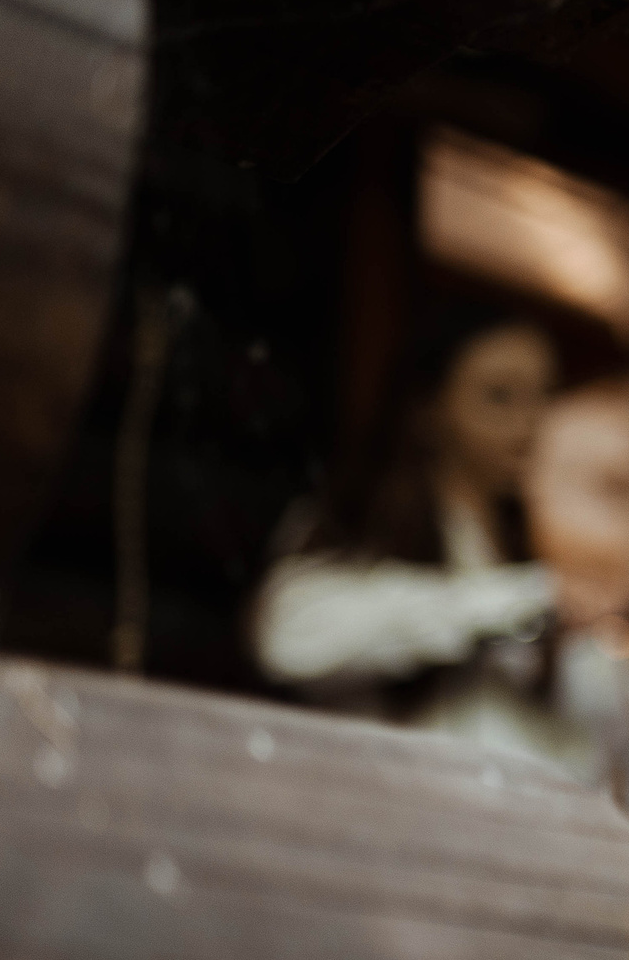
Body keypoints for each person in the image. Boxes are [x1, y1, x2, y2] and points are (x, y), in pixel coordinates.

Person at [252, 305, 595, 777]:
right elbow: (287, 639)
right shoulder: (359, 521)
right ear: (430, 407)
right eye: (500, 396)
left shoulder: (520, 551)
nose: (529, 423)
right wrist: (521, 600)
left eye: (544, 397)